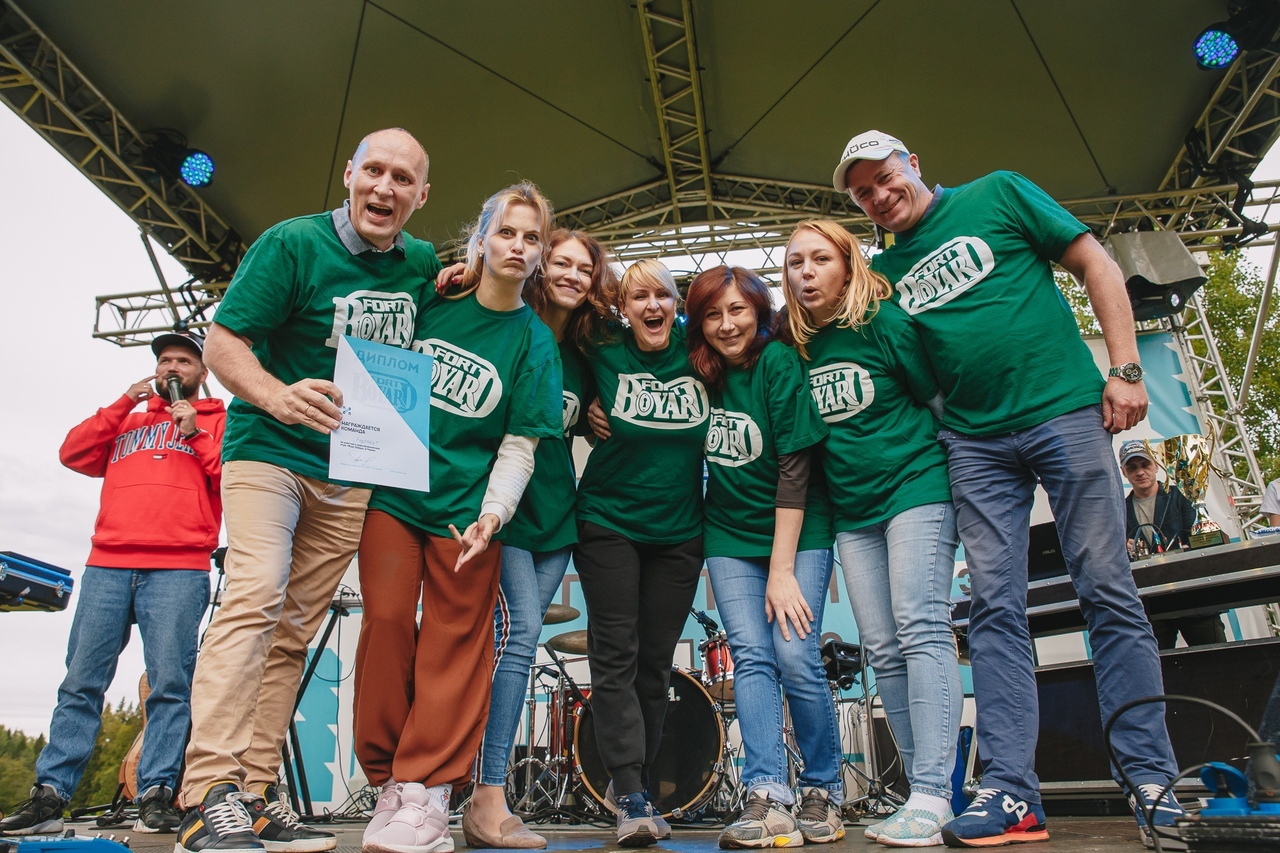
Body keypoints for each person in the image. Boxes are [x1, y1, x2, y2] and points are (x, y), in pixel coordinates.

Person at [833, 130, 1181, 849]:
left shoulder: (998, 192)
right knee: (993, 608)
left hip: (1064, 412)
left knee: (1106, 588)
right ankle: (1012, 791)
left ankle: (1151, 779)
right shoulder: (881, 273)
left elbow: (1095, 261)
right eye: (863, 191)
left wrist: (1125, 369)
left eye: (885, 177)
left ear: (913, 164)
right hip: (972, 442)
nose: (879, 195)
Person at [176, 128, 439, 853]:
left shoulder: (420, 263)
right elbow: (222, 341)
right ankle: (206, 792)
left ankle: (255, 793)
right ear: (350, 173)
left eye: (402, 178)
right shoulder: (292, 244)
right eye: (374, 170)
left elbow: (445, 304)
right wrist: (276, 395)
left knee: (295, 629)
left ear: (421, 196)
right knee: (255, 595)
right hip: (269, 450)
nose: (384, 188)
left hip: (351, 470)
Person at [353, 181, 562, 853]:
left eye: (532, 238)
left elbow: (519, 445)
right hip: (393, 496)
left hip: (464, 516)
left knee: (456, 644)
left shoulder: (534, 342)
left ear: (540, 254)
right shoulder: (430, 301)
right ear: (481, 238)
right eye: (507, 232)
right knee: (387, 622)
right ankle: (389, 782)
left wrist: (493, 517)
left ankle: (428, 793)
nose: (518, 246)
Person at [782, 220, 962, 847]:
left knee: (920, 626)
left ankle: (936, 790)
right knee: (882, 648)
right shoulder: (798, 344)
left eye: (820, 259)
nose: (807, 272)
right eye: (796, 262)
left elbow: (938, 403)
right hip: (853, 512)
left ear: (849, 265)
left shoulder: (884, 323)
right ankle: (921, 794)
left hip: (916, 486)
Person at [0, 334, 223, 837]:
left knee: (170, 685)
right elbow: (73, 452)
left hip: (179, 567)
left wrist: (195, 433)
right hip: (108, 564)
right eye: (164, 360)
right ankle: (51, 794)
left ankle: (156, 793)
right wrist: (124, 401)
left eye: (183, 360)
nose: (172, 367)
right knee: (81, 681)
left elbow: (231, 477)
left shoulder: (216, 420)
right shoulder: (127, 420)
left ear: (202, 373)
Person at [432, 230, 611, 849]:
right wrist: (461, 269)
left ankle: (480, 794)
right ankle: (482, 793)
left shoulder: (587, 352)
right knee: (519, 633)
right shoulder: (508, 324)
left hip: (557, 514)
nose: (571, 275)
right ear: (538, 266)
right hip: (501, 511)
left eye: (583, 268)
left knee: (515, 642)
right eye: (560, 262)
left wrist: (595, 414)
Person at [684, 266, 846, 849]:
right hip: (728, 533)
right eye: (712, 314)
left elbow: (795, 471)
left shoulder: (776, 361)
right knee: (751, 657)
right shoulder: (696, 370)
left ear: (759, 311)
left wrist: (781, 571)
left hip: (797, 530)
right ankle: (767, 792)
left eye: (737, 310)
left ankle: (822, 788)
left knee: (796, 654)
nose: (727, 325)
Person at [576, 258, 709, 846]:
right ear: (623, 309)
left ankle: (640, 785)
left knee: (655, 664)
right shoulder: (603, 345)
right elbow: (554, 303)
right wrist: (585, 413)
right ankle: (629, 791)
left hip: (679, 532)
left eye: (664, 296)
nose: (652, 306)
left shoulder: (701, 349)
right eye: (639, 298)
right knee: (616, 656)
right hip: (609, 522)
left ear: (677, 304)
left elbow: (757, 332)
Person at [1119, 439, 1227, 649]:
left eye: (1145, 464)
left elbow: (1206, 541)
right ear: (1124, 472)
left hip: (1194, 598)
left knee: (1218, 661)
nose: (1139, 472)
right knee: (1160, 667)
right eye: (1132, 467)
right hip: (1151, 604)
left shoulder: (1184, 495)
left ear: (1156, 466)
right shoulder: (1119, 511)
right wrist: (1123, 547)